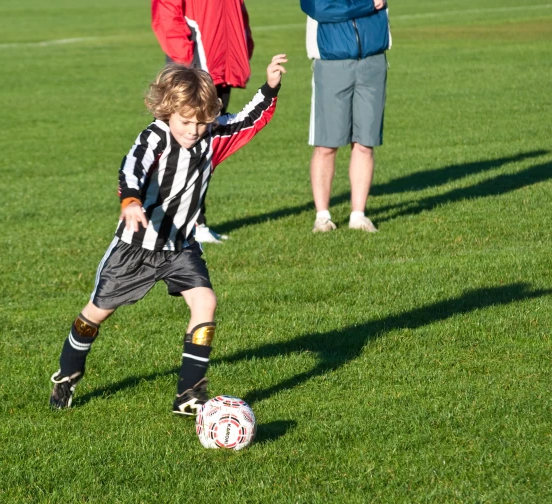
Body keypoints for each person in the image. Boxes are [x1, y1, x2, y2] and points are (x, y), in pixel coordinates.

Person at [50, 55, 288, 415]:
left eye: (201, 122)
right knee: (96, 314)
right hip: (137, 246)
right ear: (166, 111)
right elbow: (132, 167)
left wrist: (270, 87)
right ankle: (67, 375)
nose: (193, 130)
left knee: (205, 302)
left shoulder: (211, 136)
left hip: (180, 247)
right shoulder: (154, 138)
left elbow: (247, 120)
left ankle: (188, 395)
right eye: (185, 121)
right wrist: (130, 201)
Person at [151, 0, 255, 243]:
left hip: (221, 66)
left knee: (205, 146)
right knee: (178, 148)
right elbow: (166, 11)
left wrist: (240, 51)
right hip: (196, 67)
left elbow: (237, 13)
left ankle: (196, 222)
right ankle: (173, 223)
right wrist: (187, 64)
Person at [300, 0, 391, 233]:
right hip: (332, 63)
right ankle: (322, 217)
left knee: (365, 143)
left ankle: (358, 215)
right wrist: (367, 5)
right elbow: (320, 8)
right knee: (326, 144)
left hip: (373, 60)